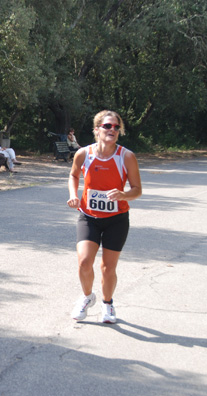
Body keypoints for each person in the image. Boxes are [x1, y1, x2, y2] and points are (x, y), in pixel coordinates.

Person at [67, 110, 142, 324]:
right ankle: (87, 297)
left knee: (108, 268)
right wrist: (73, 195)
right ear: (97, 129)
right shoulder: (83, 154)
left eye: (116, 127)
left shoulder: (126, 156)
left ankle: (107, 304)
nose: (112, 130)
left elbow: (137, 190)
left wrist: (123, 194)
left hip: (116, 219)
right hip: (88, 216)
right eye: (107, 126)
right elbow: (73, 174)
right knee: (84, 262)